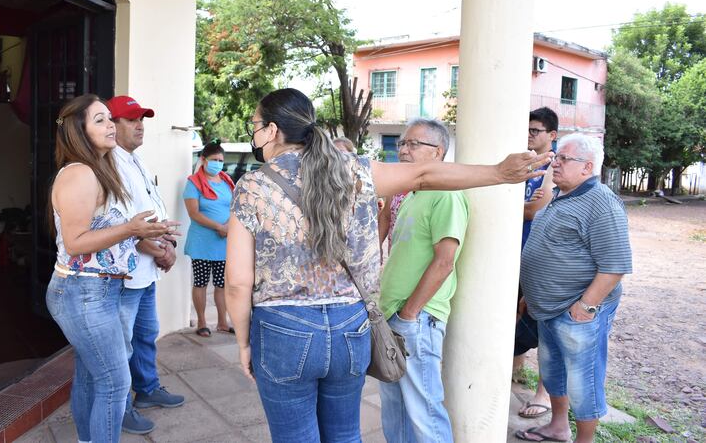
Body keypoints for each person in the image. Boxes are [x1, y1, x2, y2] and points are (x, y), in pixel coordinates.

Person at [224, 88, 552, 443]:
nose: (253, 132)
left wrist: (244, 342)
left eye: (254, 124)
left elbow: (238, 282)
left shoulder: (253, 185)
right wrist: (498, 173)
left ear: (271, 130)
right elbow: (424, 175)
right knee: (345, 434)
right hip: (351, 323)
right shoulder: (356, 171)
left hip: (282, 329)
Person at [45, 94, 174, 443]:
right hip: (82, 291)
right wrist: (132, 229)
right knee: (116, 383)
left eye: (109, 119)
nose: (110, 126)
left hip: (98, 289)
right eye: (100, 120)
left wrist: (149, 232)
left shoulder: (101, 170)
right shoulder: (79, 173)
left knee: (92, 376)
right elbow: (75, 243)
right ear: (78, 131)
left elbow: (107, 234)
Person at [516, 133, 632, 443]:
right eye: (557, 157)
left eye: (565, 159)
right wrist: (532, 291)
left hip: (578, 310)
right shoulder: (563, 195)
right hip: (550, 307)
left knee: (583, 379)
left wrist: (586, 306)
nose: (556, 162)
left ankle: (585, 440)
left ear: (588, 167)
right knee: (553, 372)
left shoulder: (601, 202)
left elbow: (616, 264)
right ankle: (558, 426)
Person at [378, 118, 468, 443]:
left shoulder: (447, 194)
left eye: (414, 144)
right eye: (402, 143)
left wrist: (409, 314)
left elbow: (445, 261)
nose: (403, 149)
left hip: (418, 320)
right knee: (396, 413)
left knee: (424, 414)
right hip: (394, 317)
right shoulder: (412, 194)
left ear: (438, 152)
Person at [107, 95, 186, 436]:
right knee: (121, 344)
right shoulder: (109, 164)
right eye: (130, 119)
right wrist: (158, 250)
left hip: (146, 269)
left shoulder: (134, 159)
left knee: (145, 336)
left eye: (141, 119)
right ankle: (120, 408)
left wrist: (167, 245)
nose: (139, 125)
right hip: (126, 273)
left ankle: (148, 390)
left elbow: (151, 211)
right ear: (112, 125)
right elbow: (119, 223)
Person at [514, 107, 557, 419]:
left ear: (551, 135)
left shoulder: (554, 165)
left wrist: (512, 204)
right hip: (516, 254)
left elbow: (535, 211)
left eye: (536, 130)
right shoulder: (527, 162)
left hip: (542, 260)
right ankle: (515, 371)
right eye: (527, 129)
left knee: (545, 325)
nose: (529, 135)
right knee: (514, 316)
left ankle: (544, 393)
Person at [184, 140, 235, 337]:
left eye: (221, 160)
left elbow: (234, 207)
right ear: (203, 160)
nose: (218, 164)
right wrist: (218, 227)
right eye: (214, 160)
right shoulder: (193, 183)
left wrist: (228, 227)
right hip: (202, 244)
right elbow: (194, 213)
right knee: (201, 283)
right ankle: (202, 323)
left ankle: (223, 322)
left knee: (222, 285)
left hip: (223, 243)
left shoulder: (226, 181)